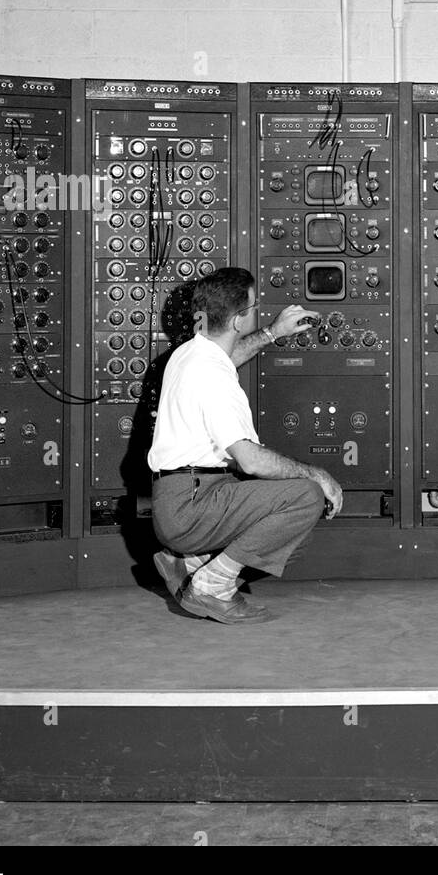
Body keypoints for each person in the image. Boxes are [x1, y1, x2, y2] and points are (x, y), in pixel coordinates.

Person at [146, 267, 343, 624]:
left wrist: (273, 332)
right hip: (191, 506)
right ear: (238, 320)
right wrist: (317, 474)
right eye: (254, 308)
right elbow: (249, 461)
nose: (255, 314)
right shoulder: (213, 377)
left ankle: (189, 565)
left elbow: (228, 358)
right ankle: (211, 585)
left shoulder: (190, 354)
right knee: (306, 498)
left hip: (178, 496)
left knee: (282, 532)